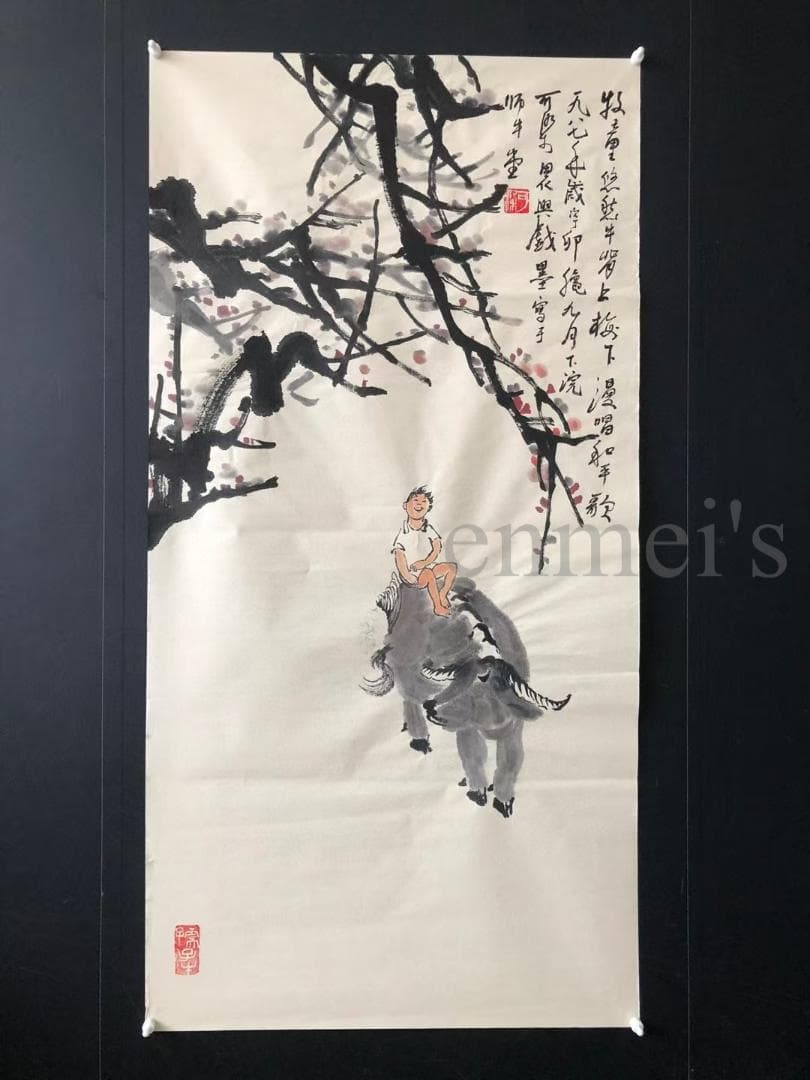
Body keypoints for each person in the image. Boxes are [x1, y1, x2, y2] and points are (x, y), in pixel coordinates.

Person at [392, 486, 457, 617]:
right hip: (411, 574)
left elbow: (437, 547)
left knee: (451, 568)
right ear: (405, 505)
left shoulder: (428, 528)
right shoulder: (403, 533)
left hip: (426, 567)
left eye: (423, 502)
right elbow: (399, 556)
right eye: (415, 500)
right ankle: (437, 607)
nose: (419, 504)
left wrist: (425, 562)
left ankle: (442, 594)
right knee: (428, 573)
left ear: (428, 507)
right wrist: (408, 576)